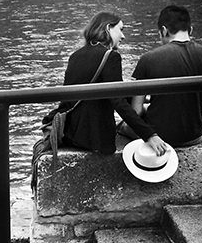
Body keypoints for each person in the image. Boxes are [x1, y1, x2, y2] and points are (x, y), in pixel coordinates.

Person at [47, 11, 167, 156]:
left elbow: (67, 98)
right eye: (120, 30)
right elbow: (117, 100)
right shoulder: (111, 57)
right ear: (108, 28)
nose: (123, 36)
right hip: (96, 140)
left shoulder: (75, 55)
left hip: (72, 135)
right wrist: (149, 135)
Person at [127, 5, 202, 147]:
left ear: (163, 30)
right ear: (190, 29)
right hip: (194, 136)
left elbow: (136, 111)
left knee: (123, 127)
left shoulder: (148, 59)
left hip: (159, 138)